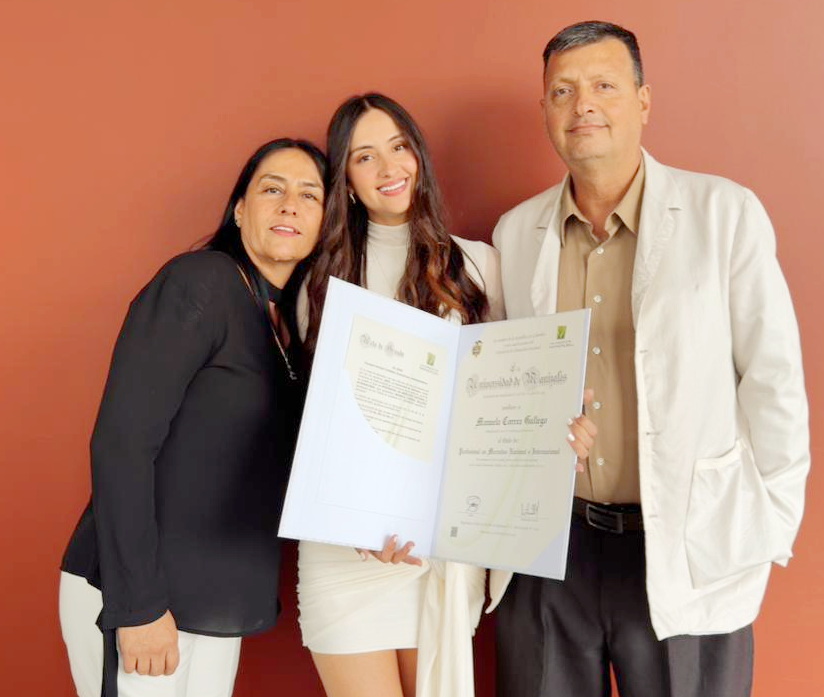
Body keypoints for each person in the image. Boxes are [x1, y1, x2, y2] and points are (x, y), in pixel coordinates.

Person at [490, 20, 810, 697]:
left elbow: (774, 379)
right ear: (545, 111)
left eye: (605, 85)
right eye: (563, 91)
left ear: (643, 101)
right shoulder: (517, 234)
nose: (584, 107)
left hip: (686, 542)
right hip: (554, 549)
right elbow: (502, 384)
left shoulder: (724, 214)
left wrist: (769, 524)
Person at [298, 92, 596, 697]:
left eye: (400, 147)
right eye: (364, 158)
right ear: (346, 182)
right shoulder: (320, 282)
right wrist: (354, 520)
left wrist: (562, 433)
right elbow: (313, 424)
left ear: (420, 157)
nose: (389, 168)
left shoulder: (479, 265)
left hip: (441, 549)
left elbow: (513, 397)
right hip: (347, 552)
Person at [59, 138, 327, 697]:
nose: (289, 205)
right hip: (146, 600)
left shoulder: (288, 324)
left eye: (310, 195)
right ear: (239, 209)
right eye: (272, 189)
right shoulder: (199, 283)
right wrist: (138, 607)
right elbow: (121, 444)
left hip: (218, 604)